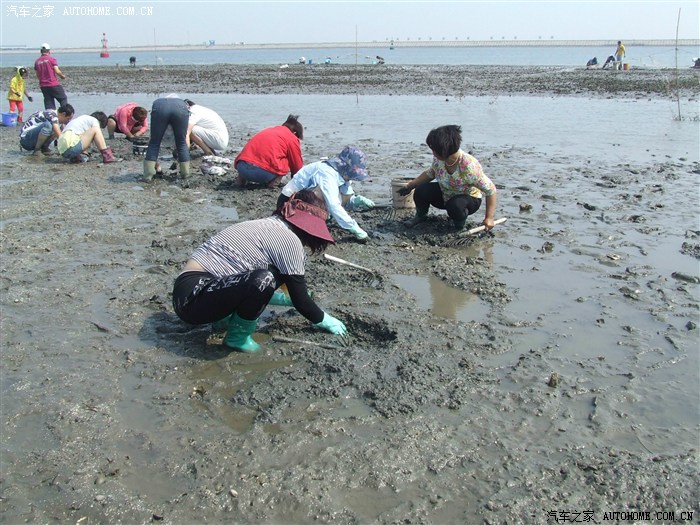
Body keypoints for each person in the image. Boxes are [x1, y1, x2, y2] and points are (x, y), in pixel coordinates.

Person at [172, 189, 348, 353]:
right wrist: (325, 320)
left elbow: (255, 282)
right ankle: (238, 337)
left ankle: (222, 320)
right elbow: (300, 299)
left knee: (270, 274)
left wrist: (286, 299)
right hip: (194, 298)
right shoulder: (289, 240)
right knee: (264, 279)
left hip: (190, 290)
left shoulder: (267, 225)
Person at [398, 125, 497, 231]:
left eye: (434, 150)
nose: (432, 153)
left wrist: (489, 218)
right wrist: (411, 185)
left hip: (467, 199)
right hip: (446, 194)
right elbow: (430, 173)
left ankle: (459, 226)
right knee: (421, 190)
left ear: (443, 151)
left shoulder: (469, 166)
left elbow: (491, 190)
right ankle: (420, 216)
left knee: (456, 206)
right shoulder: (439, 160)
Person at [277, 146, 374, 243]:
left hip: (307, 203)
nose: (351, 178)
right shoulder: (327, 173)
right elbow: (334, 205)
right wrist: (354, 228)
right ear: (345, 168)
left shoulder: (342, 175)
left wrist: (355, 201)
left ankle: (317, 218)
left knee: (332, 196)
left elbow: (345, 197)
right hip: (289, 204)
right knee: (323, 195)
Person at [233, 114, 304, 188]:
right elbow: (297, 166)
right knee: (285, 161)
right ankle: (273, 184)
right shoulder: (291, 138)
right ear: (295, 133)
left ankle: (240, 181)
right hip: (261, 173)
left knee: (251, 154)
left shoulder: (269, 130)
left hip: (241, 167)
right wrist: (296, 183)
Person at [144, 95, 191, 182]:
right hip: (180, 109)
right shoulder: (182, 103)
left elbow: (152, 139)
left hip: (159, 109)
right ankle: (185, 174)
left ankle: (148, 175)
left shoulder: (159, 101)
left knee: (154, 143)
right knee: (181, 143)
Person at [34, 43, 68, 110]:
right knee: (63, 99)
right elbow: (57, 71)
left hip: (43, 85)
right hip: (53, 84)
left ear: (41, 51)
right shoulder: (52, 59)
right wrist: (62, 76)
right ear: (49, 51)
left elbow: (37, 74)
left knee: (49, 103)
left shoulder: (37, 61)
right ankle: (65, 115)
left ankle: (51, 118)